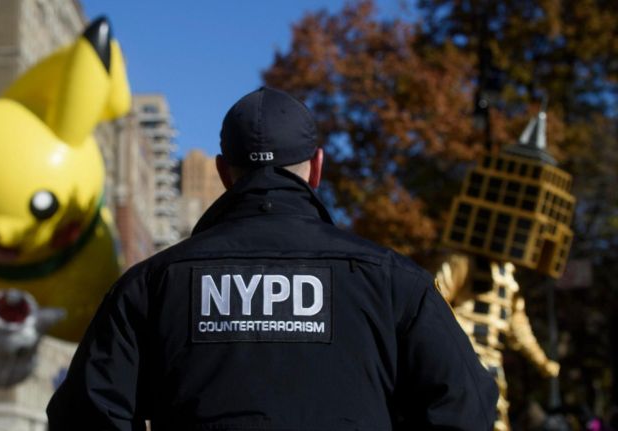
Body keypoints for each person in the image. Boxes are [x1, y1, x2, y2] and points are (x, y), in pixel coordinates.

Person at [47, 87, 499, 430]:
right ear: (316, 168)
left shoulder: (151, 286)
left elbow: (84, 415)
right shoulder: (394, 283)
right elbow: (466, 407)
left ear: (225, 174)